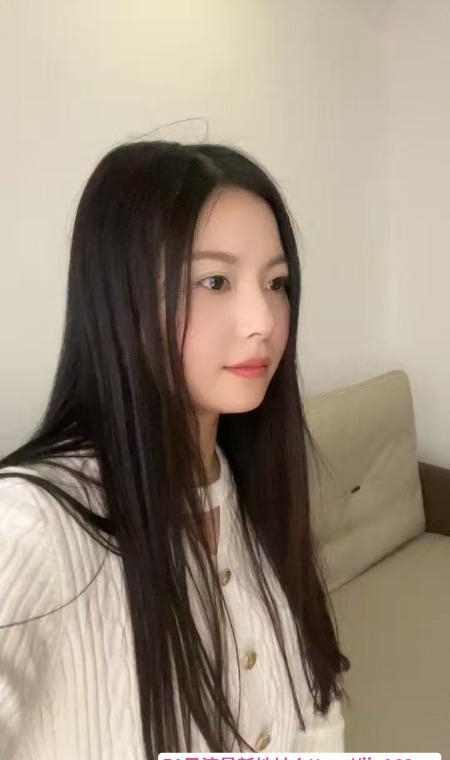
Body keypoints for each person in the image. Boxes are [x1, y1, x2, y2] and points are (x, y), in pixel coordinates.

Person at [0, 140, 350, 759]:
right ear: (123, 297)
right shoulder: (30, 524)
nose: (264, 320)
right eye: (215, 281)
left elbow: (315, 708)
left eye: (276, 283)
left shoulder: (255, 490)